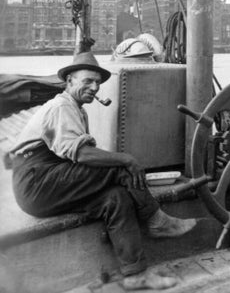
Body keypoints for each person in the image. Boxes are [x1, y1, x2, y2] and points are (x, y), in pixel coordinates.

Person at [10, 50, 196, 287]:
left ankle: (135, 274)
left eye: (98, 83)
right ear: (69, 81)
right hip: (36, 182)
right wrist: (126, 159)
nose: (95, 87)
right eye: (88, 81)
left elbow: (79, 158)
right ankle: (156, 220)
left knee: (116, 199)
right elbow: (81, 154)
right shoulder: (61, 107)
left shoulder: (77, 109)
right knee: (121, 167)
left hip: (45, 185)